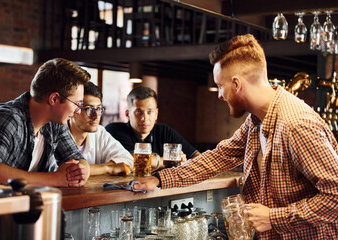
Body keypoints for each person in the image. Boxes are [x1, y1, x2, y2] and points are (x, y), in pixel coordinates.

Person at [133, 34, 338, 239]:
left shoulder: (295, 124)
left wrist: (274, 218)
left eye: (221, 86)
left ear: (237, 84)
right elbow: (219, 156)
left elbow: (335, 197)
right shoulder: (256, 121)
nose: (220, 95)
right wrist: (159, 179)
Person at [0, 58, 91, 188]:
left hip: (31, 203)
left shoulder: (56, 123)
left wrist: (83, 170)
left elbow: (76, 158)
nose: (78, 111)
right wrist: (55, 179)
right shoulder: (7, 118)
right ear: (54, 98)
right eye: (77, 104)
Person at [106, 86, 200, 164]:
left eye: (150, 112)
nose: (145, 118)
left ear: (156, 114)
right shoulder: (114, 130)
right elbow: (136, 161)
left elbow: (198, 157)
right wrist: (171, 161)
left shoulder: (164, 131)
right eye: (139, 112)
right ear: (127, 114)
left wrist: (184, 163)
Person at [67, 82, 133, 175]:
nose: (96, 116)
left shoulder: (99, 132)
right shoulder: (57, 134)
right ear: (74, 109)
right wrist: (108, 168)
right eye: (89, 109)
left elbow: (128, 160)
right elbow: (66, 172)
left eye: (99, 109)